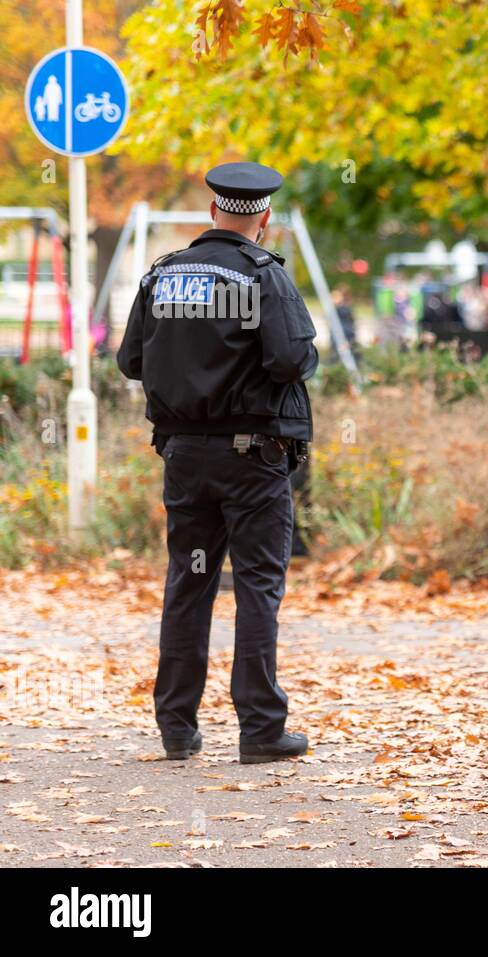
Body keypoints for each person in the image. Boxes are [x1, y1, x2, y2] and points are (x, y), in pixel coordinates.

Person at [116, 161, 316, 764]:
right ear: (265, 217)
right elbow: (291, 360)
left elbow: (130, 362)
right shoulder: (263, 276)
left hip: (184, 456)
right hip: (252, 459)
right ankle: (260, 730)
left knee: (189, 582)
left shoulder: (162, 276)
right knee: (257, 586)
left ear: (211, 212)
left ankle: (176, 727)